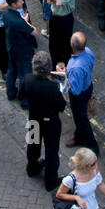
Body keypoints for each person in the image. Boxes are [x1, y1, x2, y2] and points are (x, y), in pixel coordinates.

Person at [21, 51, 66, 190]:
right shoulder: (52, 87)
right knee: (51, 151)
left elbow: (21, 94)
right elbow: (62, 106)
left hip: (34, 118)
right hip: (50, 123)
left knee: (33, 144)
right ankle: (50, 181)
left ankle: (32, 168)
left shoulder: (27, 79)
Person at [64, 32, 98, 150]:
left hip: (80, 95)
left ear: (72, 45)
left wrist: (65, 78)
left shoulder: (75, 68)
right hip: (88, 86)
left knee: (81, 119)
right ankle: (78, 137)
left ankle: (92, 145)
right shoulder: (88, 52)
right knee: (80, 117)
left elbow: (75, 90)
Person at [3, 0, 37, 107]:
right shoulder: (18, 21)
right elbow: (34, 32)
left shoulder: (6, 11)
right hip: (22, 51)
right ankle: (24, 101)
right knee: (25, 76)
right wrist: (26, 21)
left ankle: (11, 93)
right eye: (20, 1)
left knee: (12, 71)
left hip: (11, 47)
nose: (23, 2)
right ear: (13, 4)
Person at [47, 0, 76, 67]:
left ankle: (66, 68)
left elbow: (59, 2)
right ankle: (55, 66)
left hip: (65, 18)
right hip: (54, 16)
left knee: (65, 45)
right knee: (53, 44)